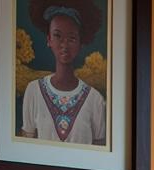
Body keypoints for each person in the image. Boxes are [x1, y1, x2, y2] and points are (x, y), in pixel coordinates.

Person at [20, 1, 106, 146]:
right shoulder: (34, 91)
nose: (64, 45)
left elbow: (100, 155)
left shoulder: (95, 100)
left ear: (81, 43)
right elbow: (24, 148)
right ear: (49, 40)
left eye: (72, 38)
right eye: (58, 36)